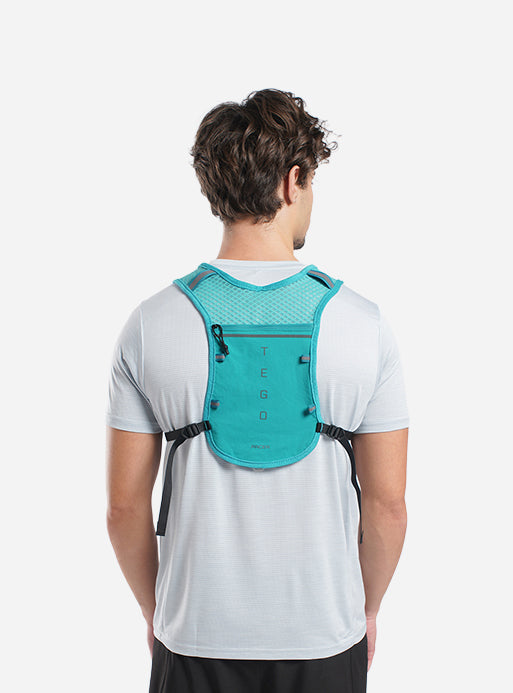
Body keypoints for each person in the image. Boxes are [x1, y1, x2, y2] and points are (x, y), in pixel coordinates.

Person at [105, 88, 409, 693]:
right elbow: (387, 506)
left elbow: (124, 509)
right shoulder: (365, 324)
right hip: (325, 637)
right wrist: (366, 610)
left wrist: (157, 611)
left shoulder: (148, 324)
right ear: (294, 181)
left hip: (194, 636)